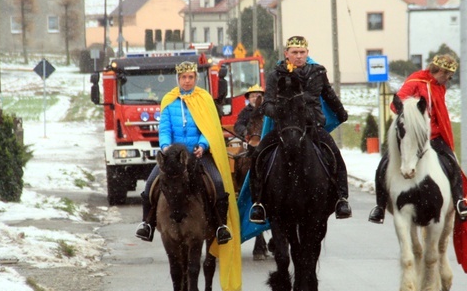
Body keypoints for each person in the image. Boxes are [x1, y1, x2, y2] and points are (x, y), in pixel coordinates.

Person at [248, 35, 352, 222]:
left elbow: (329, 95)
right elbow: (266, 105)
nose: (298, 56)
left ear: (307, 53)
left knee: (335, 155)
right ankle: (258, 204)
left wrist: (341, 112)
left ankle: (342, 199)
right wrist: (281, 111)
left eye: (302, 52)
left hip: (312, 127)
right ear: (286, 54)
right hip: (284, 129)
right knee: (258, 156)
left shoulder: (318, 72)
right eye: (294, 52)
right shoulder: (275, 75)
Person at [368, 54, 467, 224]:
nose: (447, 78)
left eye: (450, 75)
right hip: (413, 135)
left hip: (434, 135)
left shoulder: (440, 86)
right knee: (385, 163)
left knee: (451, 162)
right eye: (446, 74)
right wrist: (412, 115)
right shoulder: (416, 81)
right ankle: (380, 206)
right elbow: (396, 105)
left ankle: (459, 201)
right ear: (437, 69)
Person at [135, 60, 233, 245]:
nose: (187, 81)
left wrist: (202, 145)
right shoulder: (169, 101)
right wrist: (165, 147)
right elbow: (164, 129)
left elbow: (210, 128)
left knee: (218, 184)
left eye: (190, 77)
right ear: (178, 79)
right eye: (183, 78)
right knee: (149, 186)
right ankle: (147, 224)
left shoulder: (205, 100)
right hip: (173, 157)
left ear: (196, 78)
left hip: (198, 154)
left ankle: (221, 226)